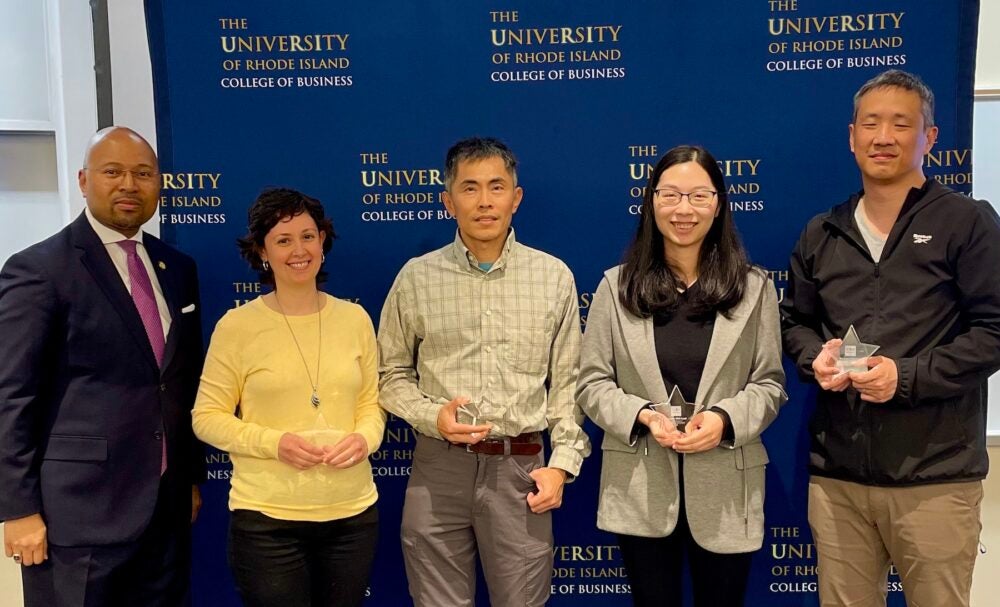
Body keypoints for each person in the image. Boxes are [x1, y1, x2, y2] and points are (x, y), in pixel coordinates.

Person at [781, 69, 1000, 607]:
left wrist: (908, 376)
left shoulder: (967, 223)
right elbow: (794, 323)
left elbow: (995, 331)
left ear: (929, 137)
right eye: (871, 124)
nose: (884, 137)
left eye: (902, 124)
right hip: (838, 480)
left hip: (935, 477)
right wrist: (817, 358)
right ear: (851, 135)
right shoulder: (821, 231)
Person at [377, 136, 591, 607]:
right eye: (470, 188)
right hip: (438, 468)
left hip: (522, 471)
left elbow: (569, 386)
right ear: (448, 201)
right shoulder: (416, 277)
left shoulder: (553, 276)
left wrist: (562, 466)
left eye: (497, 187)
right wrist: (433, 416)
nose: (485, 201)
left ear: (516, 198)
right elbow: (389, 375)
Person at [0, 126, 205, 606]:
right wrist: (18, 510)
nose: (129, 185)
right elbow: (11, 396)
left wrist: (189, 479)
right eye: (112, 172)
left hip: (165, 511)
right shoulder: (39, 269)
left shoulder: (177, 268)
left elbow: (181, 381)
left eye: (142, 173)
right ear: (83, 180)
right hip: (77, 518)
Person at [576, 144, 787, 606]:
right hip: (641, 488)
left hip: (728, 487)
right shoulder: (617, 286)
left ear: (719, 203)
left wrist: (726, 421)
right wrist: (644, 415)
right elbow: (592, 383)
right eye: (670, 195)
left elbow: (770, 384)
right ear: (651, 202)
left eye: (699, 196)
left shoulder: (754, 288)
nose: (683, 209)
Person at [192, 187, 384, 607]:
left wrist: (364, 439)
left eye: (308, 236)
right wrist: (273, 443)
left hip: (351, 517)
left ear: (323, 242)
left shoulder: (354, 319)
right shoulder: (237, 327)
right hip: (267, 522)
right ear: (263, 251)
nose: (299, 249)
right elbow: (206, 417)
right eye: (283, 240)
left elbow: (372, 405)